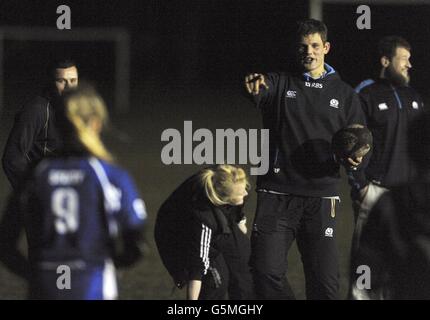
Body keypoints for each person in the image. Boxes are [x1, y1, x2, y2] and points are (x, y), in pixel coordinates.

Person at [244, 19, 366, 300]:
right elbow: (259, 90)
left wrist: (354, 159)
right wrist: (253, 87)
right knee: (264, 273)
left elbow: (358, 141)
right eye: (302, 46)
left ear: (326, 47)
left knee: (325, 284)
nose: (308, 52)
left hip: (321, 198)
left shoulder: (346, 95)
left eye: (314, 45)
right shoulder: (279, 81)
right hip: (276, 194)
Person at [0, 85, 147, 300]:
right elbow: (137, 246)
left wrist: (36, 274)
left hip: (44, 288)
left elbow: (5, 245)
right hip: (92, 287)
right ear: (96, 123)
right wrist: (109, 264)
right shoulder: (109, 175)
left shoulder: (36, 174)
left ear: (57, 125)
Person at [349, 36, 426, 298]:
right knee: (367, 273)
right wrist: (360, 184)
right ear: (386, 61)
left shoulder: (414, 96)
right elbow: (350, 142)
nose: (409, 65)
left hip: (412, 197)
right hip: (376, 191)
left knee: (408, 268)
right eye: (403, 59)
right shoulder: (365, 94)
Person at [351, 114, 430, 299]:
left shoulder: (392, 203)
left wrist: (368, 289)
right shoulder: (391, 203)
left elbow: (364, 266)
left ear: (411, 149)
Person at [154, 164, 254, 300]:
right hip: (177, 236)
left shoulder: (231, 179)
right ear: (224, 198)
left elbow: (238, 202)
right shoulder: (203, 216)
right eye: (240, 193)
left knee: (244, 269)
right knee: (216, 282)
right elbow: (197, 268)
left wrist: (240, 219)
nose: (246, 193)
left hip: (217, 217)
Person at [2, 59, 79, 189]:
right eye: (61, 81)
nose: (68, 87)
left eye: (73, 80)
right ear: (51, 82)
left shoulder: (78, 109)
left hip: (67, 193)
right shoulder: (37, 110)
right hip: (45, 194)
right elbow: (12, 159)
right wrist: (32, 192)